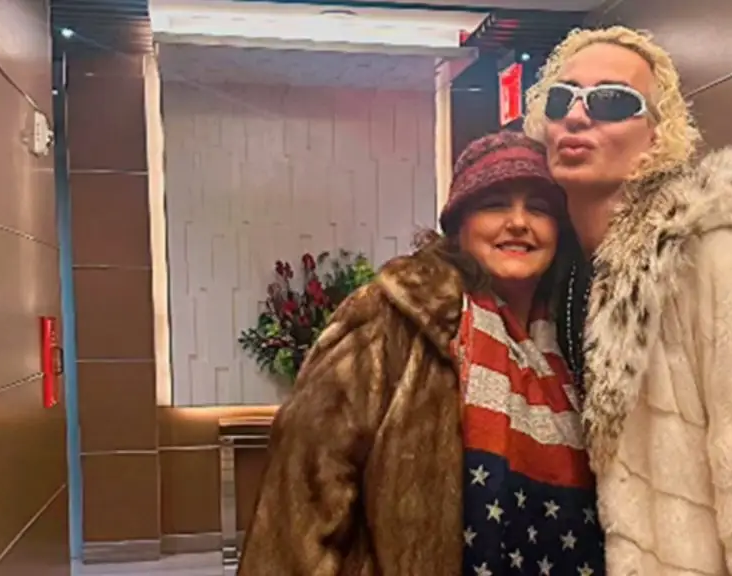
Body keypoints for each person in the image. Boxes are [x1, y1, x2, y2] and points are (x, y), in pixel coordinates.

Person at [524, 26, 732, 575]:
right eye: (561, 99)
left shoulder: (708, 255)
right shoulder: (553, 265)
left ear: (656, 134)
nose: (576, 117)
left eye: (611, 102)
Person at [237, 130, 606, 576]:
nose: (518, 222)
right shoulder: (392, 318)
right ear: (459, 227)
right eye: (495, 204)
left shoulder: (577, 342)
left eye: (539, 208)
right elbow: (302, 494)